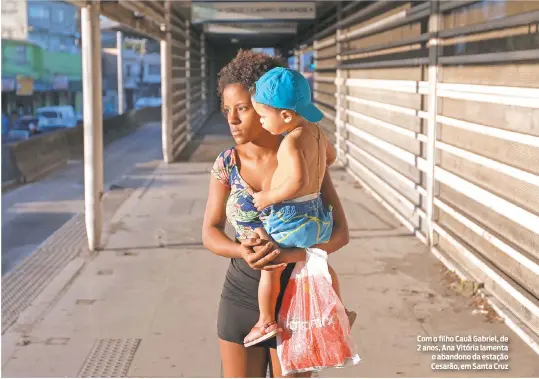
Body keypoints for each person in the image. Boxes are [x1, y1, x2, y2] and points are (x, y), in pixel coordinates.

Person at [202, 50, 350, 378]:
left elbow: (340, 235)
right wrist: (241, 249)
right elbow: (210, 232)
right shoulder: (226, 164)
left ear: (267, 107)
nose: (232, 119)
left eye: (242, 109)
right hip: (240, 297)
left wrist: (287, 254)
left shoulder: (305, 159)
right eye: (228, 110)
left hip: (299, 301)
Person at [241, 67, 355, 348]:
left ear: (286, 116)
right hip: (317, 214)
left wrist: (268, 197)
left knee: (271, 266)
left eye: (264, 116)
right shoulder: (315, 132)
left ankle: (265, 320)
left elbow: (296, 182)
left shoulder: (289, 142)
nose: (261, 121)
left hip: (291, 218)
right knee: (319, 264)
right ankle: (339, 311)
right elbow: (331, 157)